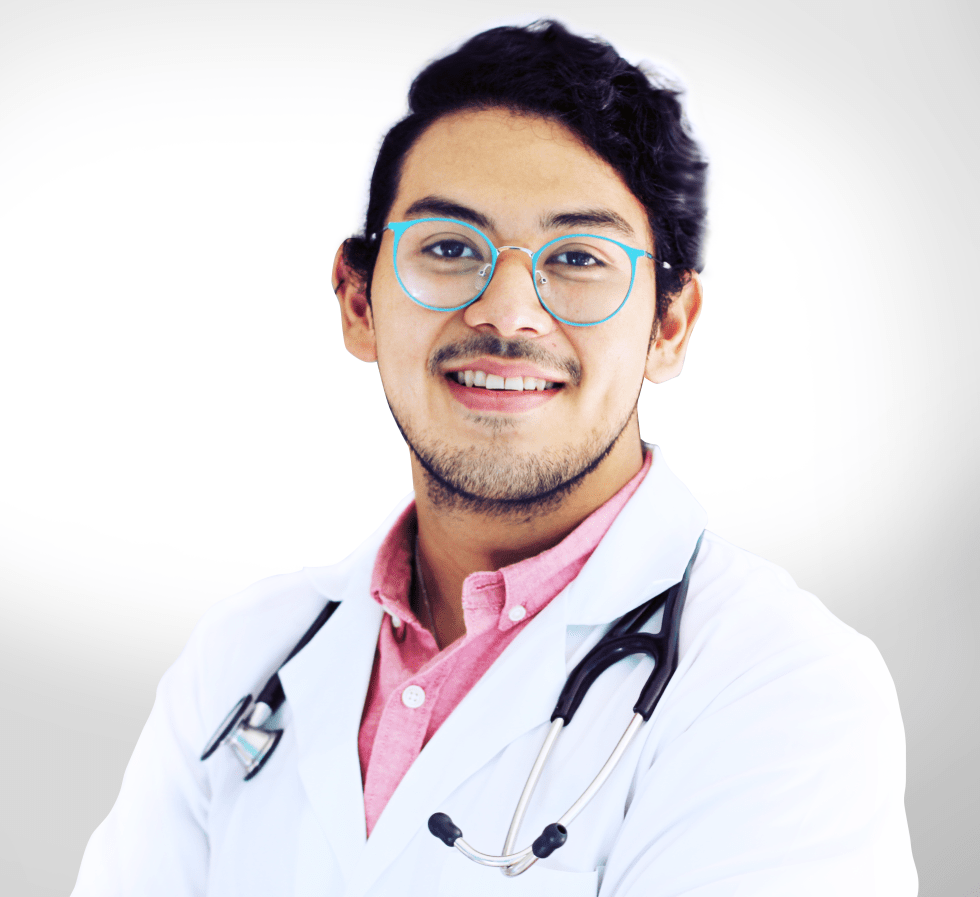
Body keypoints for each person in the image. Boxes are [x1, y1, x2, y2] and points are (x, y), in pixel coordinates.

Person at [72, 20, 918, 896]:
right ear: (358, 300)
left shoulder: (781, 687)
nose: (509, 312)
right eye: (448, 249)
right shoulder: (243, 657)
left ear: (670, 325)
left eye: (579, 257)